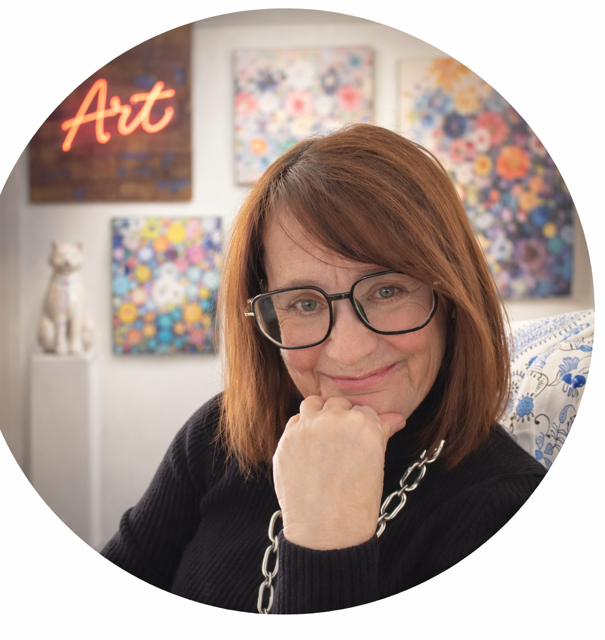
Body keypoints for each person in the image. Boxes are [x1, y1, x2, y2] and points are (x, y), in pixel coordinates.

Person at [101, 123, 546, 614]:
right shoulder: (219, 433)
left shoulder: (508, 511)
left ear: (453, 297)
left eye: (387, 291)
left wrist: (327, 541)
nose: (349, 351)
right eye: (305, 303)